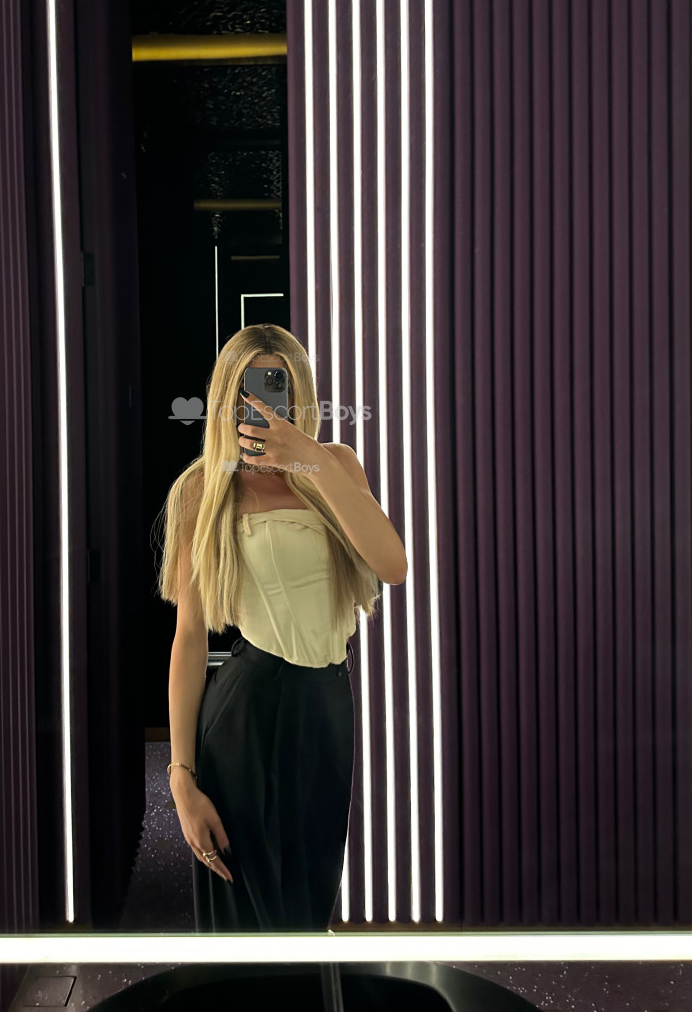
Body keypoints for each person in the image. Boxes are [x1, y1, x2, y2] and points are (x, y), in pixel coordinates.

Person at [156, 324, 408, 932]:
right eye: (252, 388)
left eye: (280, 386)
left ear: (301, 394)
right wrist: (181, 779)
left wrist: (310, 459)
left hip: (327, 708)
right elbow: (190, 636)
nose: (266, 402)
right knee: (247, 916)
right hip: (247, 713)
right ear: (229, 396)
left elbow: (392, 565)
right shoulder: (203, 488)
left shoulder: (335, 466)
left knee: (309, 908)